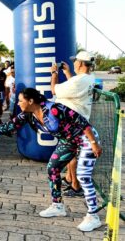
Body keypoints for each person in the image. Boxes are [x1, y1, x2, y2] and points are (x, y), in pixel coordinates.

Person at [0, 88, 102, 232]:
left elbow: (83, 123)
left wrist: (94, 143)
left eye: (20, 101)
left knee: (83, 176)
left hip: (86, 139)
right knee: (53, 168)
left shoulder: (54, 109)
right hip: (68, 141)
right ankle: (57, 206)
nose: (18, 104)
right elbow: (11, 125)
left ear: (30, 101)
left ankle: (93, 216)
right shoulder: (29, 115)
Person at [51, 51, 96, 198]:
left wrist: (54, 74)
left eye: (75, 61)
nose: (74, 63)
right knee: (72, 152)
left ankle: (76, 185)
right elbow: (75, 87)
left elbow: (54, 90)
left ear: (81, 63)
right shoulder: (88, 77)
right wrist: (68, 72)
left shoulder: (79, 81)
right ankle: (71, 179)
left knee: (71, 154)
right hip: (78, 121)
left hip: (74, 123)